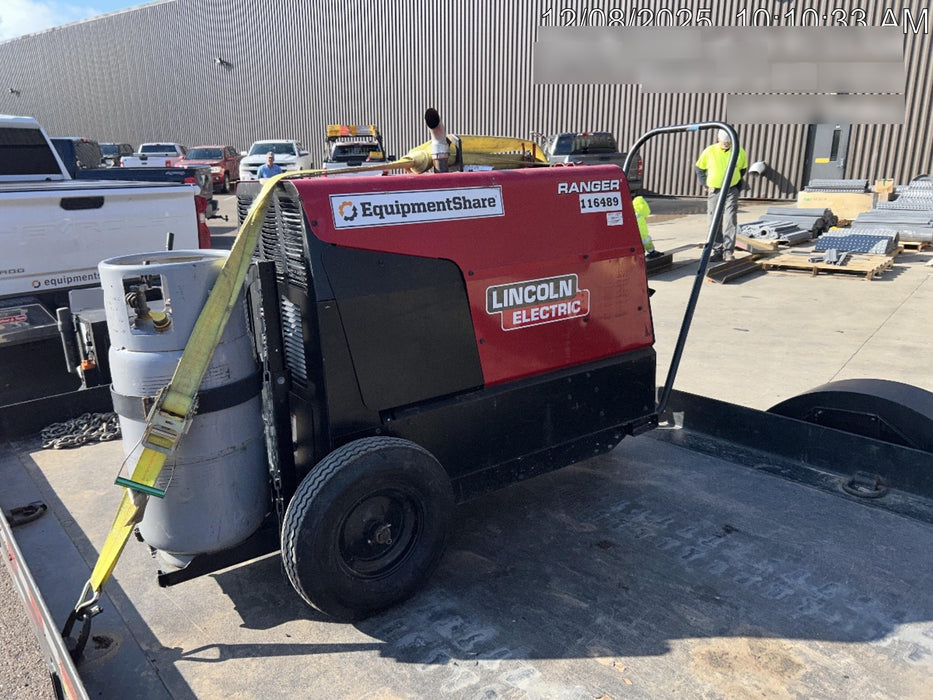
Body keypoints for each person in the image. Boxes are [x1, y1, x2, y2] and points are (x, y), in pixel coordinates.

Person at [695, 129, 747, 262]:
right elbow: (699, 168)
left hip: (731, 189)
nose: (726, 145)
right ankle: (717, 249)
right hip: (715, 189)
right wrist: (706, 184)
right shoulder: (710, 151)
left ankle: (728, 251)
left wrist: (734, 182)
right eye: (724, 143)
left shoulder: (739, 151)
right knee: (714, 220)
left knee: (730, 218)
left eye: (728, 143)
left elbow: (742, 169)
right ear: (718, 140)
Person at [632, 195, 663, 259]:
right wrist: (651, 251)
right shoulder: (640, 218)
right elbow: (644, 236)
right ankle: (650, 251)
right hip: (637, 247)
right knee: (645, 239)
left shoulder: (632, 213)